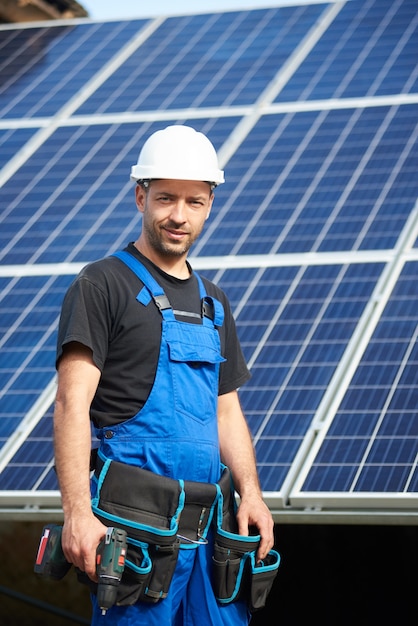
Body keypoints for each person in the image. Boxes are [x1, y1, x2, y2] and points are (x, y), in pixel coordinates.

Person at [53, 125, 275, 625]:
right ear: (140, 196)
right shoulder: (102, 284)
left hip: (214, 533)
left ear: (210, 204)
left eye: (194, 202)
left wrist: (253, 495)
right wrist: (77, 513)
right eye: (166, 198)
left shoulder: (213, 301)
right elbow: (71, 404)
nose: (179, 215)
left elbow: (226, 411)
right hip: (136, 533)